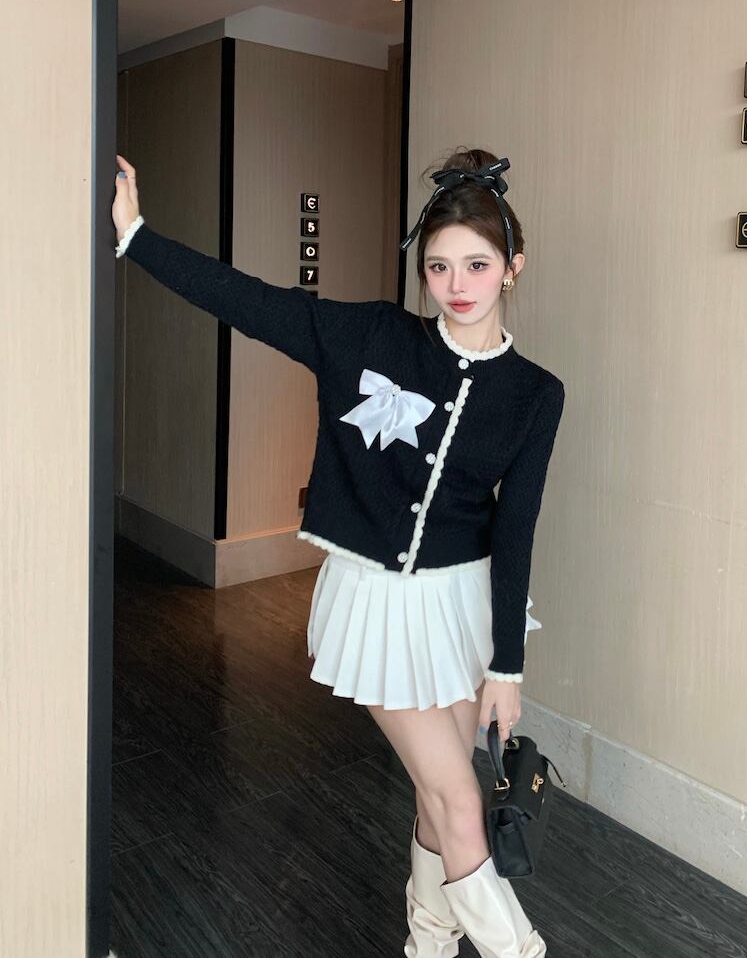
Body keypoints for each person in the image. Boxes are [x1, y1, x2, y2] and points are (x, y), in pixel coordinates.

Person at [112, 146, 564, 957]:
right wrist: (136, 235)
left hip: (463, 608)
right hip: (380, 604)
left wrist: (507, 666)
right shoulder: (374, 336)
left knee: (436, 798)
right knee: (460, 803)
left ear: (513, 266)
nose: (457, 285)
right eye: (438, 266)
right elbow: (252, 302)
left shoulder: (536, 392)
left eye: (477, 264)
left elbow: (516, 528)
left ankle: (427, 945)